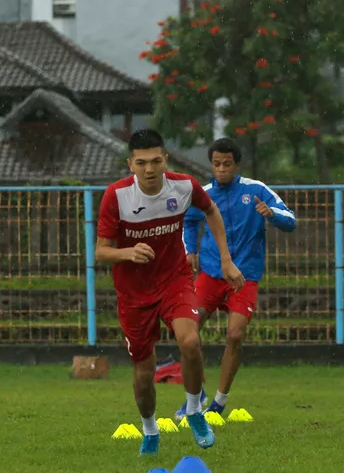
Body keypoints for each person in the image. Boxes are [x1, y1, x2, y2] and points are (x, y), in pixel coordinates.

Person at [95, 129, 245, 456]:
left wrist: (225, 260)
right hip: (134, 294)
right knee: (144, 374)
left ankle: (193, 410)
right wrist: (127, 253)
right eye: (142, 163)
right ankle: (150, 430)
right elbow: (100, 252)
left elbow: (211, 211)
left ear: (166, 159)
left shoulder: (184, 186)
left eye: (156, 161)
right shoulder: (116, 196)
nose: (150, 169)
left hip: (174, 280)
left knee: (190, 341)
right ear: (131, 164)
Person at [175, 137, 297, 420]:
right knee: (187, 333)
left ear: (237, 165)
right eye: (216, 164)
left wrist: (272, 214)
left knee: (235, 335)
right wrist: (190, 250)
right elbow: (189, 221)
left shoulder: (256, 190)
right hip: (210, 273)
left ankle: (218, 402)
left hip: (245, 276)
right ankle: (196, 395)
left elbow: (290, 219)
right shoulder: (204, 194)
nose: (221, 169)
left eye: (226, 164)